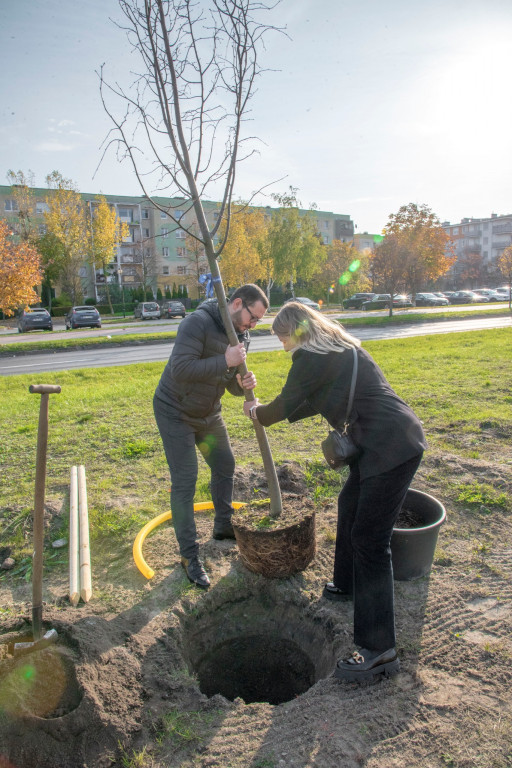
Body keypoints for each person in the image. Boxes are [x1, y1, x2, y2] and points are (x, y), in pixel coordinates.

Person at [243, 301, 426, 682]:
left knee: (370, 541)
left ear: (294, 332)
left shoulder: (310, 359)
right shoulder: (342, 348)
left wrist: (257, 412)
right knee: (349, 503)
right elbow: (315, 398)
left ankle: (379, 652)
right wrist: (272, 410)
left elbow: (284, 405)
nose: (281, 346)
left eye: (280, 337)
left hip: (390, 448)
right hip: (385, 437)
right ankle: (346, 584)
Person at [154, 284, 269, 590]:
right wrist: (226, 361)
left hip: (208, 413)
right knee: (185, 480)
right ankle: (189, 556)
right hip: (175, 411)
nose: (253, 326)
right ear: (236, 303)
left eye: (257, 321)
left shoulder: (241, 336)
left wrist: (241, 381)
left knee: (224, 465)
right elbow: (180, 369)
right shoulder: (197, 322)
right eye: (252, 317)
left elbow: (227, 382)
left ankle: (222, 526)